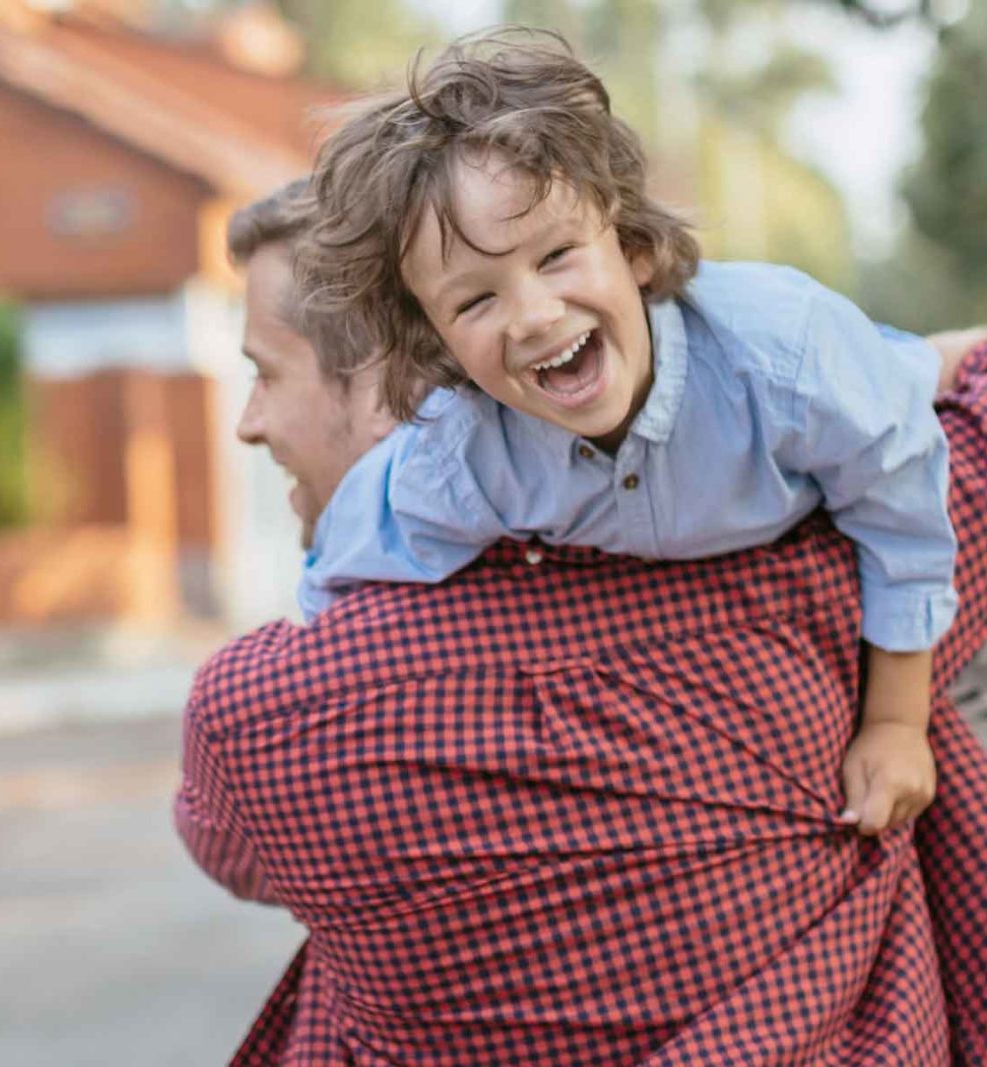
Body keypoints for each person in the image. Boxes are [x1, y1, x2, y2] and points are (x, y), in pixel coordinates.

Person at [177, 179, 987, 1062]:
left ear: (403, 388)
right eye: (475, 301)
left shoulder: (259, 713)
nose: (248, 422)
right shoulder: (792, 584)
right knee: (963, 647)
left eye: (263, 374)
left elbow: (237, 852)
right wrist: (915, 363)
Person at [292, 28, 947, 836]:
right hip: (734, 516)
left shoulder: (786, 360)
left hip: (886, 395)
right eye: (474, 301)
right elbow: (342, 573)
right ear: (436, 341)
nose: (533, 315)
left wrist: (893, 722)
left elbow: (901, 499)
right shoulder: (462, 456)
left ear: (632, 245)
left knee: (949, 374)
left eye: (558, 254)